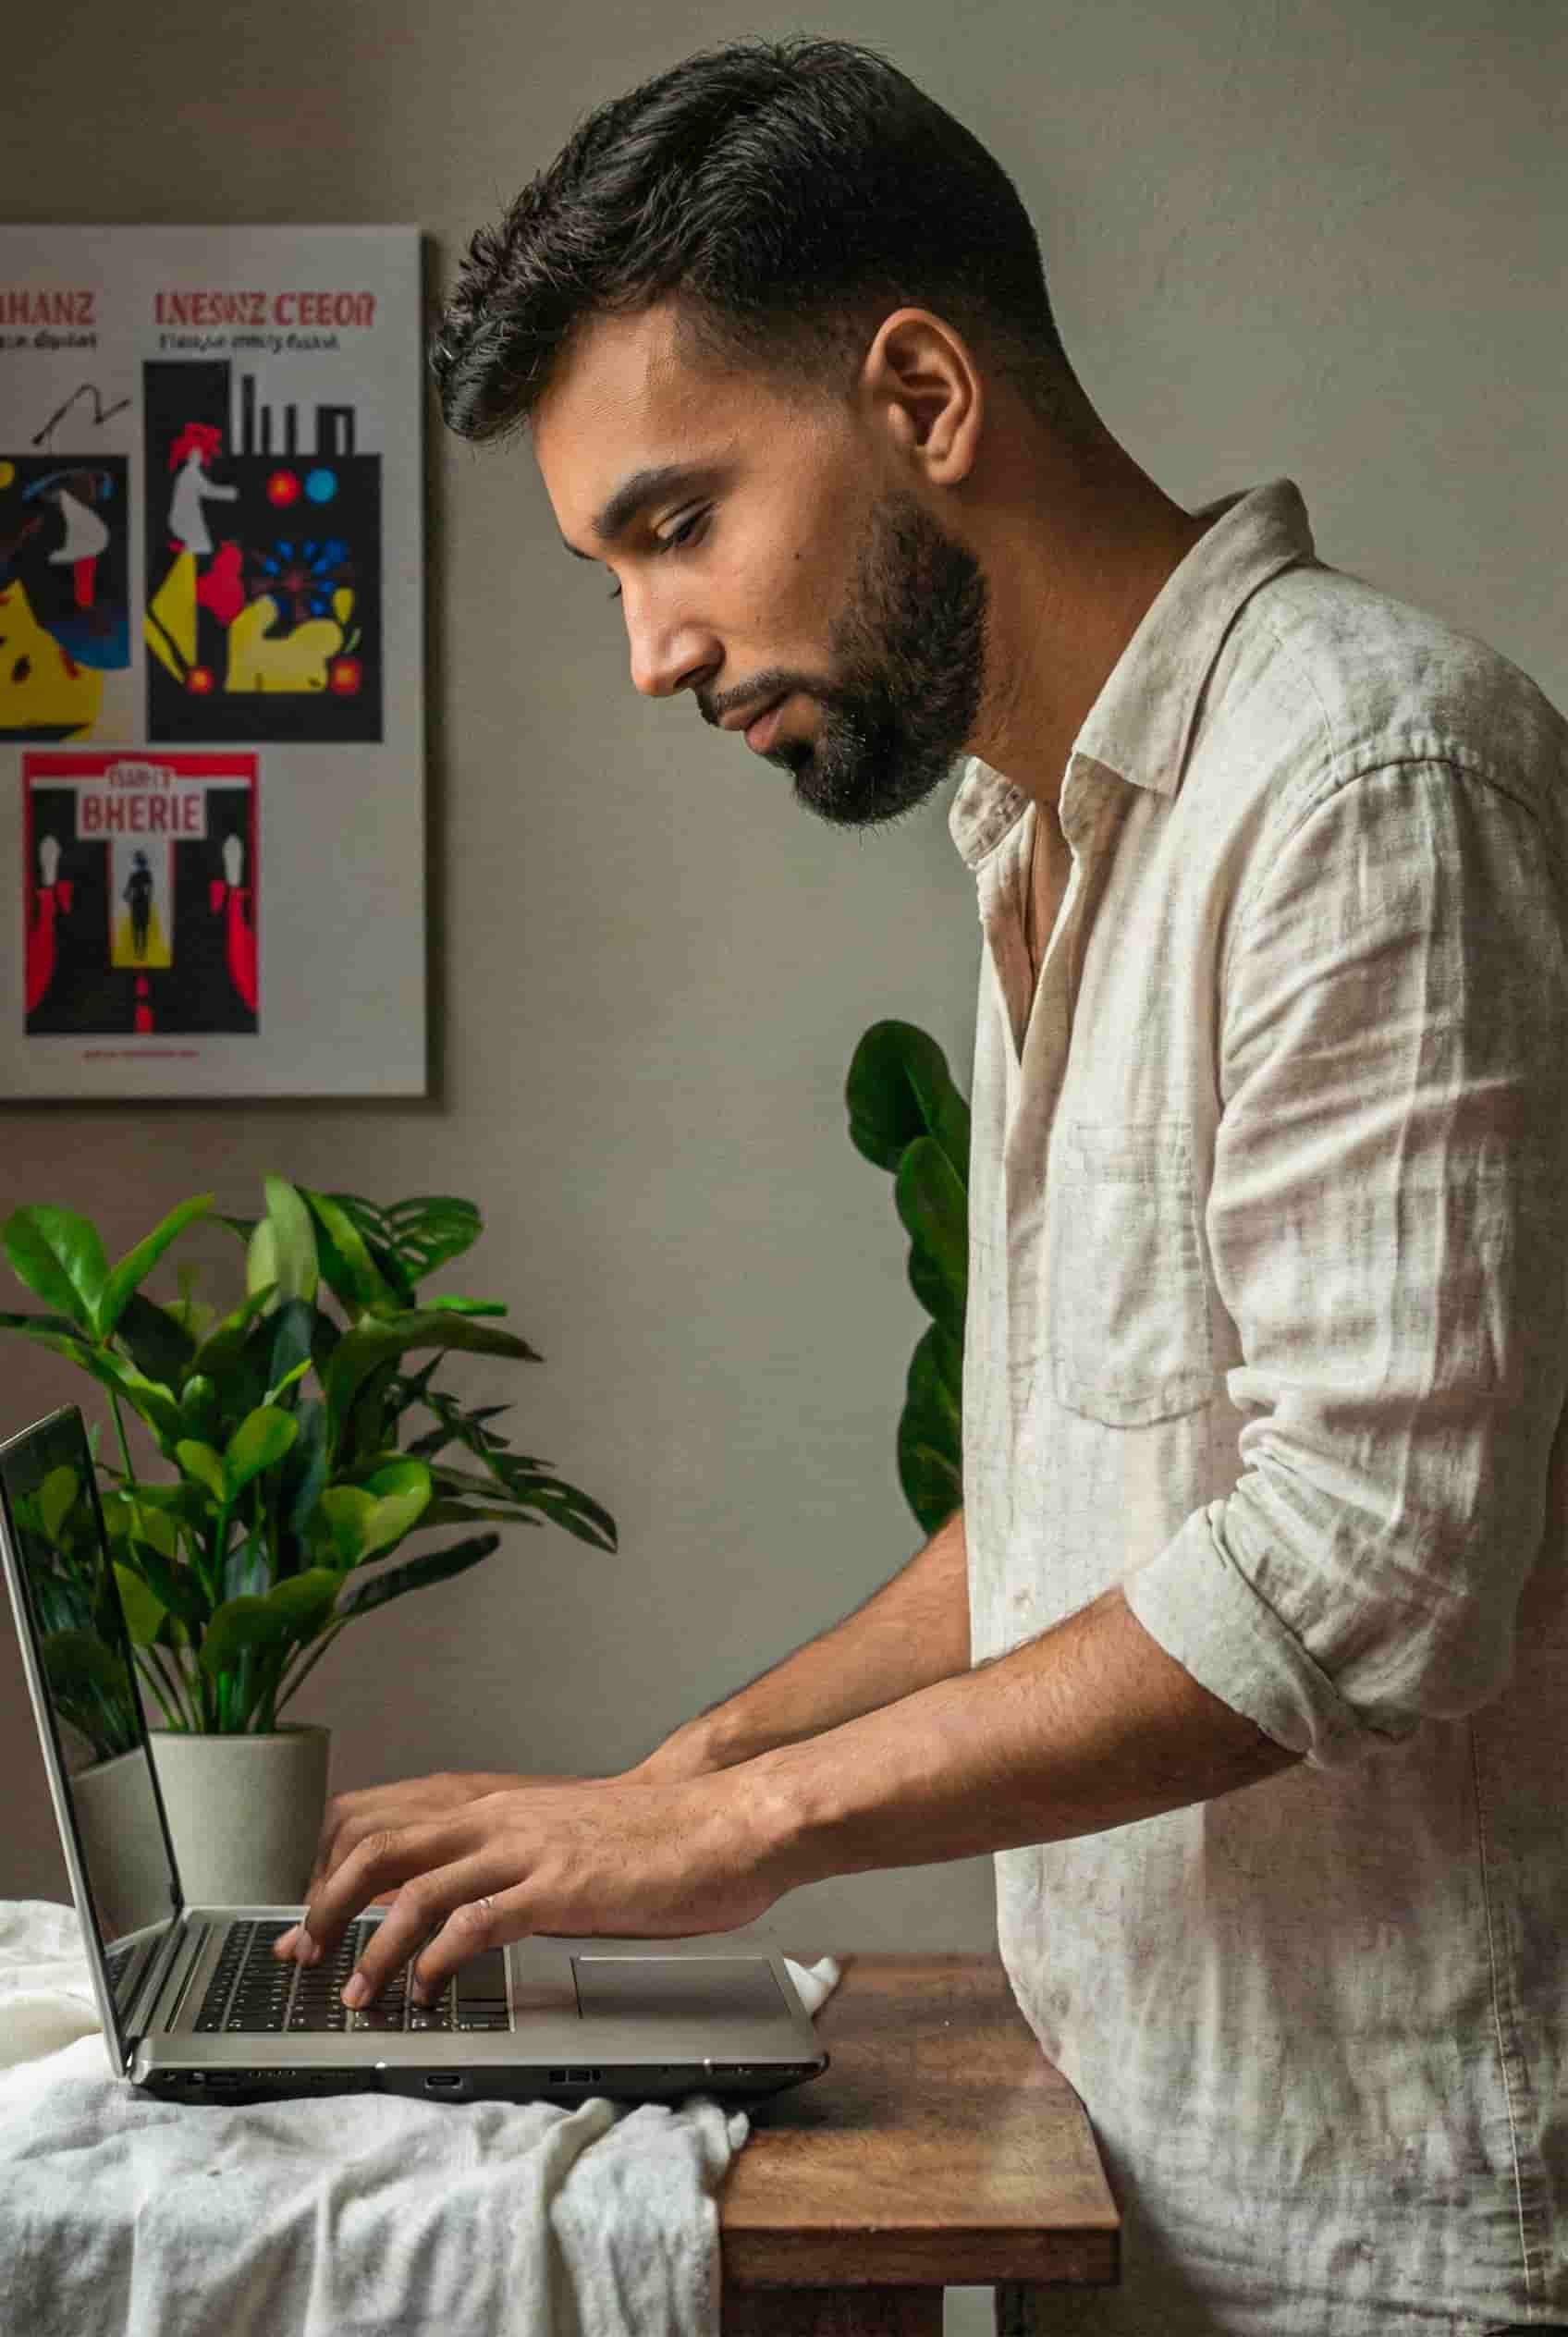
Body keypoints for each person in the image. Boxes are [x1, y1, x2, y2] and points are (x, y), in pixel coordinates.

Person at [275, 37, 1568, 2333]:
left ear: (920, 393)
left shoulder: (1360, 778)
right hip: (1121, 2168)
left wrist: (727, 1837)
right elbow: (1086, 1492)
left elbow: (1372, 1559)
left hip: (1384, 2239)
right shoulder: (1041, 826)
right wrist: (676, 1774)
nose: (652, 651)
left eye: (675, 525)